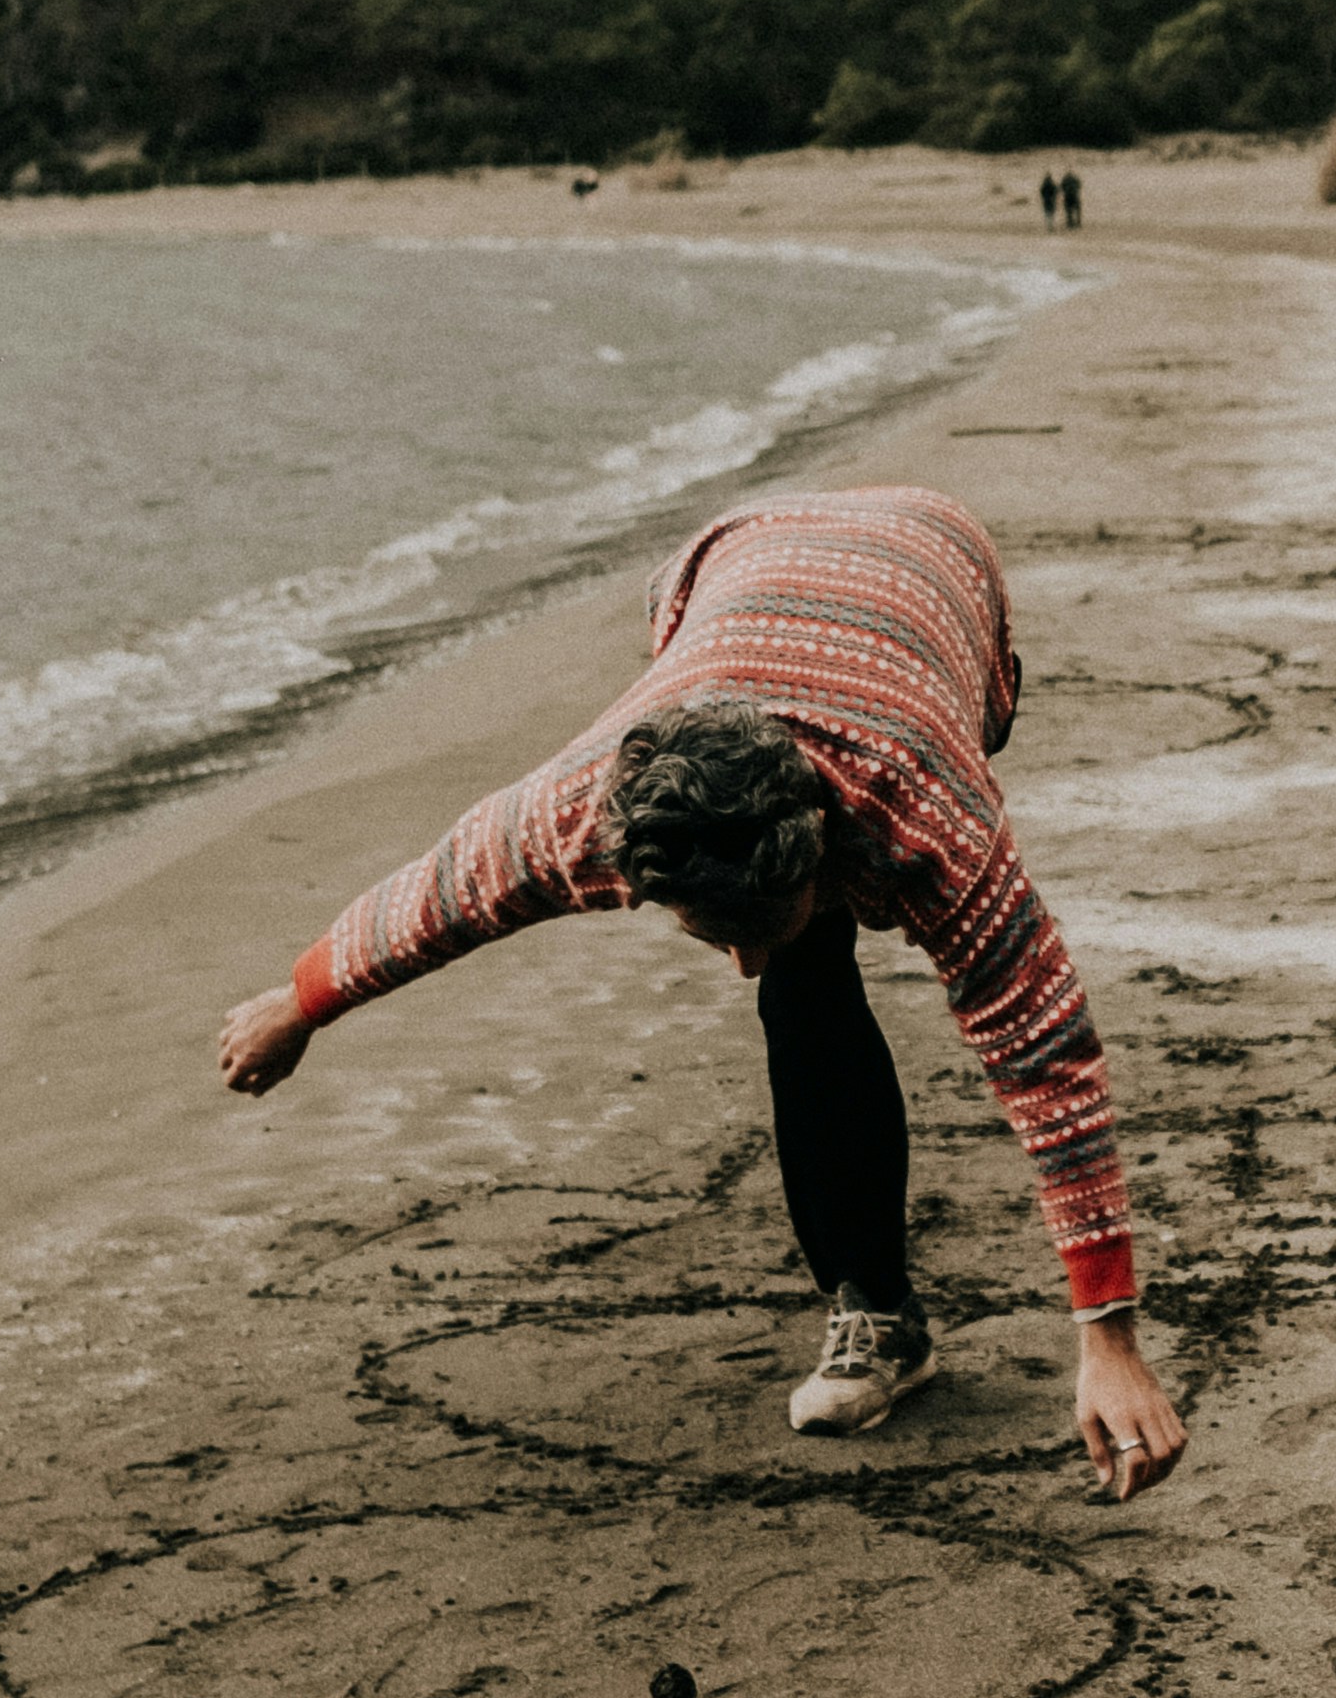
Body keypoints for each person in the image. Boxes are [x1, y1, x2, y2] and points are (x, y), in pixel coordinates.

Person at [216, 482, 1189, 1498]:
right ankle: (880, 1308)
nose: (737, 962)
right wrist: (304, 999)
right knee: (801, 979)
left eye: (751, 930)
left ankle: (873, 1275)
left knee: (820, 954)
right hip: (727, 557)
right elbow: (442, 891)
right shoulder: (580, 810)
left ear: (824, 844)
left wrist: (1109, 1336)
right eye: (709, 935)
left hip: (940, 559)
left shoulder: (929, 820)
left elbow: (1046, 1056)